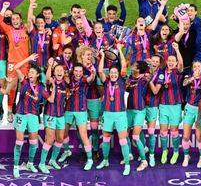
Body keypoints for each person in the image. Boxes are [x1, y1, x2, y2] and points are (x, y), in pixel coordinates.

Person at [12, 54, 55, 178]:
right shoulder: (24, 81)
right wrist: (28, 59)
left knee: (34, 142)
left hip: (33, 116)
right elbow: (16, 68)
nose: (30, 74)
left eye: (32, 73)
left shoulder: (41, 88)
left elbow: (51, 100)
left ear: (37, 75)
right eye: (29, 72)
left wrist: (55, 86)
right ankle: (15, 166)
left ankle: (30, 163)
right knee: (19, 143)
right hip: (21, 114)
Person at [96, 43, 131, 175]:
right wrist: (103, 56)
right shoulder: (106, 82)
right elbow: (100, 71)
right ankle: (105, 160)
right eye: (112, 73)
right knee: (105, 138)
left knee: (123, 139)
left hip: (120, 114)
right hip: (108, 114)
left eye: (115, 72)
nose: (114, 74)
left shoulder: (122, 81)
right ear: (109, 74)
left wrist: (120, 51)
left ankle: (127, 164)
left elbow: (123, 64)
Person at [0, 1, 32, 123]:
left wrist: (30, 7)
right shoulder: (8, 30)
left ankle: (23, 108)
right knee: (12, 88)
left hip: (25, 63)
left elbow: (30, 21)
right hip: (12, 63)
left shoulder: (26, 29)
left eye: (17, 18)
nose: (15, 21)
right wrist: (4, 7)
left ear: (20, 20)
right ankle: (9, 110)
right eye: (13, 19)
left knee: (25, 87)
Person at [59, 63, 96, 170]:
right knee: (63, 134)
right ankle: (66, 151)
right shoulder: (68, 80)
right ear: (73, 71)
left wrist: (93, 73)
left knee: (84, 136)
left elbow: (90, 78)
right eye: (76, 71)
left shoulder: (84, 80)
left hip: (81, 110)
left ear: (82, 72)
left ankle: (89, 159)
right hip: (69, 110)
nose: (78, 73)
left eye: (80, 71)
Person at [38, 59, 68, 173]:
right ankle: (41, 163)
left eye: (61, 70)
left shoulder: (66, 83)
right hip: (50, 114)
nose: (59, 72)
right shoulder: (51, 82)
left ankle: (53, 160)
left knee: (60, 139)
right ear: (54, 73)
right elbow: (47, 78)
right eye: (57, 70)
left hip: (61, 115)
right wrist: (50, 65)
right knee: (50, 139)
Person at [159, 43, 184, 165]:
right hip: (163, 104)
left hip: (175, 105)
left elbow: (181, 65)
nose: (171, 62)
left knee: (174, 131)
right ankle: (164, 151)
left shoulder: (177, 73)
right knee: (163, 131)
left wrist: (177, 50)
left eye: (173, 61)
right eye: (169, 60)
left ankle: (175, 151)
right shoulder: (162, 72)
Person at [181, 61, 201, 168]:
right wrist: (192, 78)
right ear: (192, 68)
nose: (197, 68)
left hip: (200, 110)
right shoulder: (188, 76)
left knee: (199, 137)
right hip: (189, 108)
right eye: (195, 67)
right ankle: (186, 156)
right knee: (186, 136)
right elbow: (184, 83)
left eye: (199, 66)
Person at [125, 61, 149, 171]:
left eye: (134, 66)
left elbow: (151, 77)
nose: (132, 66)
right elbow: (126, 89)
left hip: (139, 110)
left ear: (138, 69)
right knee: (125, 134)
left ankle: (144, 161)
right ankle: (129, 154)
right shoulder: (130, 78)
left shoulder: (144, 79)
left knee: (135, 137)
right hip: (129, 110)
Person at [143, 55, 164, 167]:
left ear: (159, 63)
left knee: (151, 131)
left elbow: (156, 91)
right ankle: (144, 149)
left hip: (152, 105)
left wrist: (149, 80)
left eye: (157, 61)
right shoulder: (144, 71)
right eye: (153, 61)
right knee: (136, 129)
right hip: (141, 105)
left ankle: (151, 155)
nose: (154, 63)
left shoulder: (160, 74)